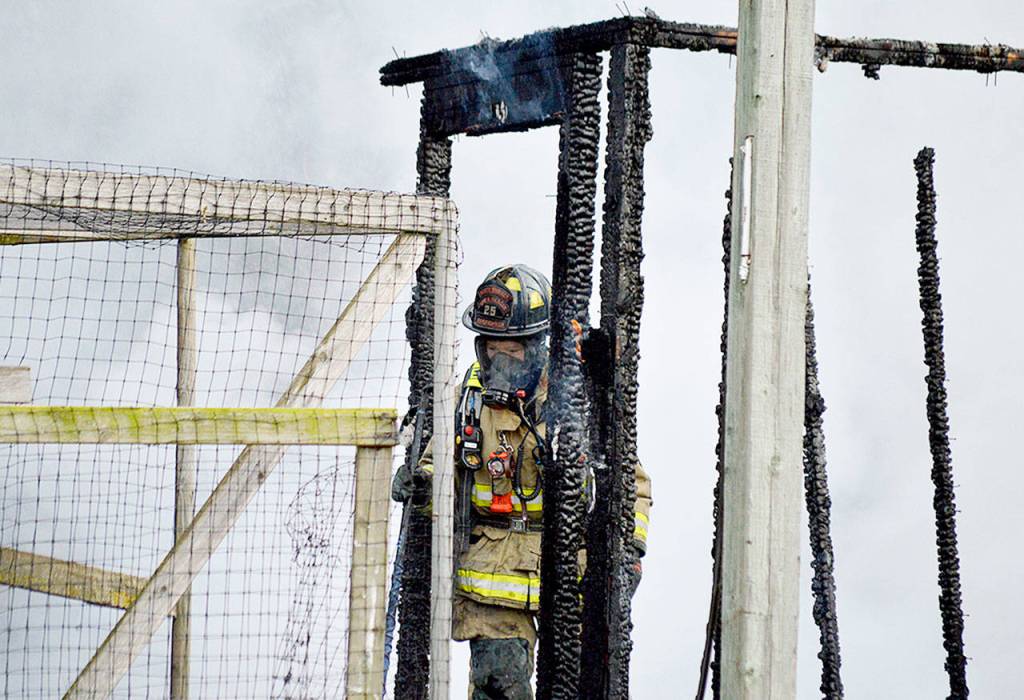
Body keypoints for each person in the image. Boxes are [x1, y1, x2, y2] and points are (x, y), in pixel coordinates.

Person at [394, 264, 652, 699]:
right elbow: (439, 469)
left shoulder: (579, 400)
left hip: (569, 575)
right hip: (491, 578)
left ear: (539, 348)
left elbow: (632, 485)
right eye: (492, 351)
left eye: (512, 353)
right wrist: (421, 486)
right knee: (499, 687)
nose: (499, 362)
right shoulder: (468, 401)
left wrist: (630, 552)